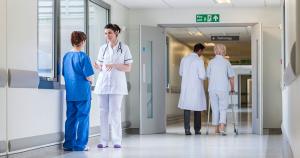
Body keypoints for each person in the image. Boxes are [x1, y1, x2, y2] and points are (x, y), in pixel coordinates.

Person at [94, 24, 133, 148]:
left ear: (116, 33)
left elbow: (128, 68)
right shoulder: (103, 48)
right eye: (105, 33)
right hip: (103, 83)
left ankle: (117, 140)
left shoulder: (124, 48)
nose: (107, 36)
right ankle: (104, 141)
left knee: (115, 112)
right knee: (103, 112)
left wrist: (115, 65)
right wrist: (97, 66)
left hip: (117, 85)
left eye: (110, 33)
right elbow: (101, 66)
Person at [62, 31, 94, 151]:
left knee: (70, 118)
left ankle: (68, 144)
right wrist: (91, 81)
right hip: (82, 93)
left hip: (71, 93)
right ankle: (80, 145)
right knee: (83, 118)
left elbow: (65, 74)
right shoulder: (83, 57)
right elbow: (89, 76)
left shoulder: (66, 56)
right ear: (83, 41)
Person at [178, 43, 207, 135]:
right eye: (202, 51)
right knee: (197, 108)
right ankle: (197, 130)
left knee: (186, 108)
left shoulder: (184, 59)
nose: (202, 53)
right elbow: (202, 76)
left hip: (186, 87)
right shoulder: (199, 60)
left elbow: (180, 73)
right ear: (199, 50)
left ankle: (187, 129)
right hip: (196, 87)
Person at [207, 43, 235, 136]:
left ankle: (216, 129)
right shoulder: (226, 62)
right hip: (223, 88)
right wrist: (232, 88)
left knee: (215, 108)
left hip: (212, 88)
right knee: (223, 108)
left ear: (215, 51)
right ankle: (222, 127)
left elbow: (208, 76)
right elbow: (231, 77)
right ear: (224, 51)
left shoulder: (211, 62)